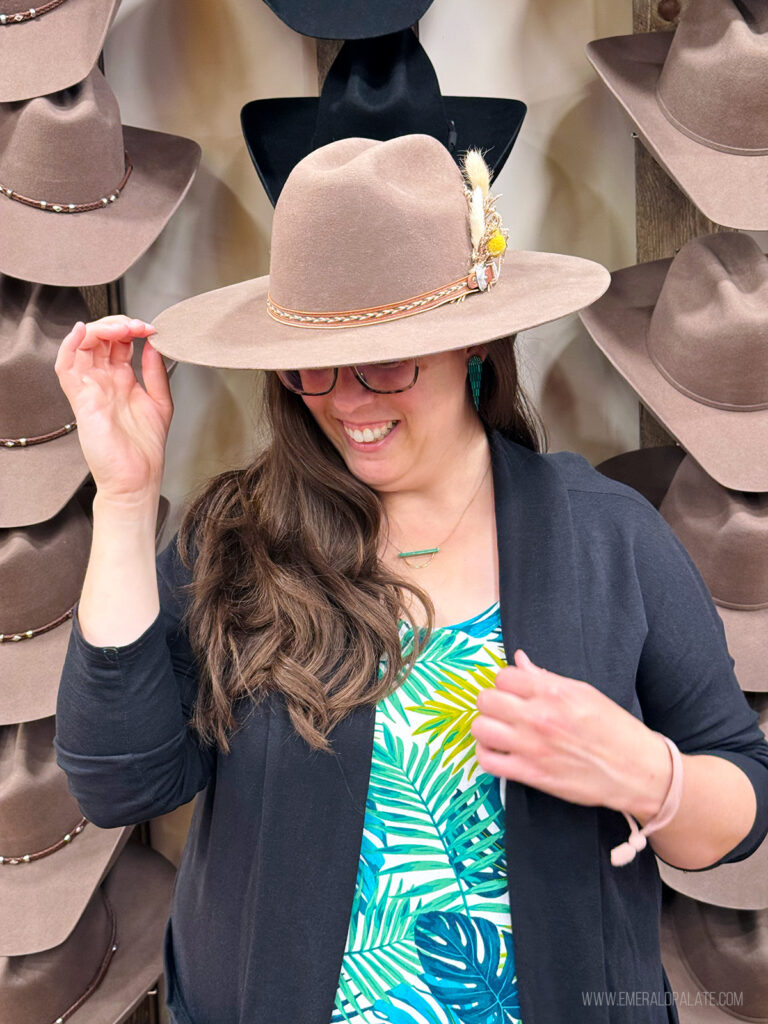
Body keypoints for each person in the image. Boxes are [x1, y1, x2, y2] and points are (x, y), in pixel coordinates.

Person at [54, 135, 768, 1024]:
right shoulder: (237, 540)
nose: (347, 401)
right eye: (312, 366)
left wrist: (645, 774)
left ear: (473, 347)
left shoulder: (607, 536)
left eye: (388, 362)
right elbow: (121, 783)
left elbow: (741, 808)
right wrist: (125, 499)